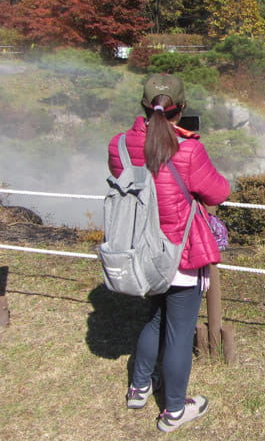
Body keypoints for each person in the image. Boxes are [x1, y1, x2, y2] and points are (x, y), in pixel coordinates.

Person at [107, 73, 230, 433]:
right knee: (179, 330)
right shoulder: (188, 149)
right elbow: (218, 192)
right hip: (179, 256)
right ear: (182, 109)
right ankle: (175, 410)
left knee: (155, 318)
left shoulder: (119, 145)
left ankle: (139, 387)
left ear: (145, 106)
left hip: (141, 253)